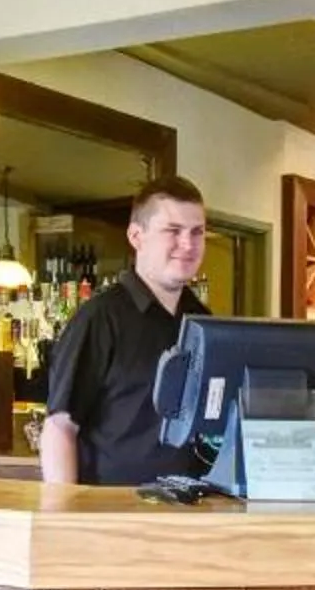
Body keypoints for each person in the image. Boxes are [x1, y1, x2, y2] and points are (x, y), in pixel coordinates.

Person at [40, 177, 213, 487]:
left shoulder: (204, 322)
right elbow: (59, 428)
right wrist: (63, 518)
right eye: (172, 231)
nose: (187, 245)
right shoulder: (100, 318)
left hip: (192, 514)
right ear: (136, 236)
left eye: (197, 232)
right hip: (113, 514)